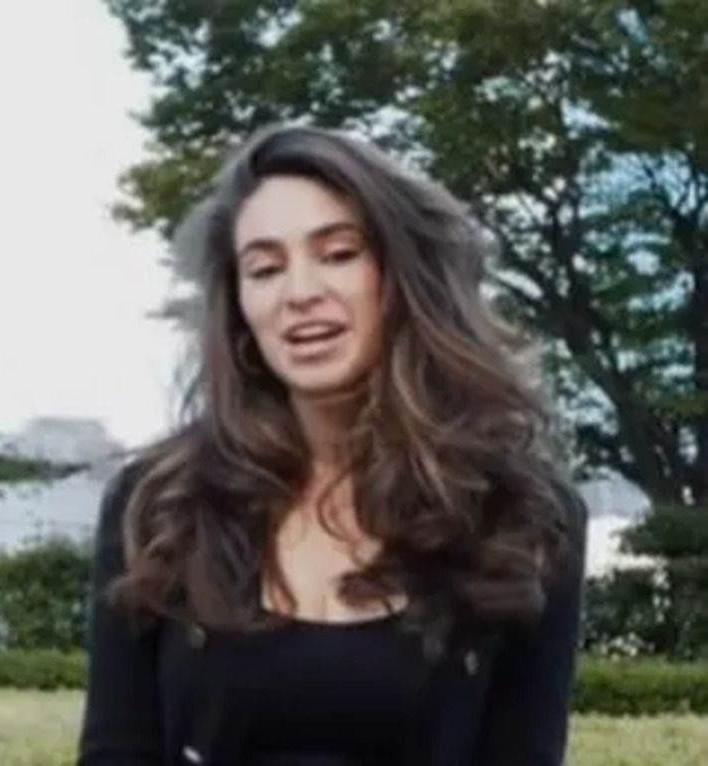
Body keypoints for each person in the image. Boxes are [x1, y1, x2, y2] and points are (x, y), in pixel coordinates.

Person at [78, 125, 587, 766]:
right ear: (239, 307)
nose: (300, 293)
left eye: (339, 254)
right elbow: (117, 751)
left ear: (403, 277)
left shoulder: (522, 515)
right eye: (265, 269)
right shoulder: (160, 504)